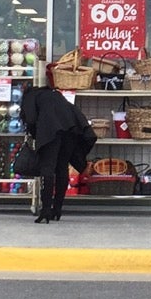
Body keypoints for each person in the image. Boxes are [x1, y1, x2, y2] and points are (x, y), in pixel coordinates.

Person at [21, 82, 97, 222]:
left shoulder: (30, 97)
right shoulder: (54, 94)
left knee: (47, 168)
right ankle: (57, 209)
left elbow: (30, 119)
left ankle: (45, 210)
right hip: (71, 129)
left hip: (51, 130)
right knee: (62, 167)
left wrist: (34, 134)